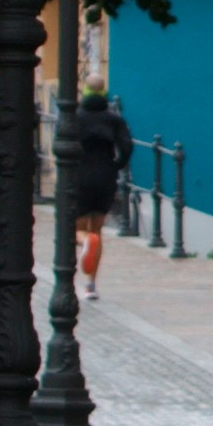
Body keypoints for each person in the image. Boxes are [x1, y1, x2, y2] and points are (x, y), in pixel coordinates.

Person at [62, 90, 133, 298]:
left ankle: (84, 242)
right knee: (98, 229)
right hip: (105, 176)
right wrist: (117, 165)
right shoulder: (115, 119)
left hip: (80, 175)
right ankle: (91, 285)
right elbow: (127, 146)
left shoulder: (75, 117)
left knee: (77, 229)